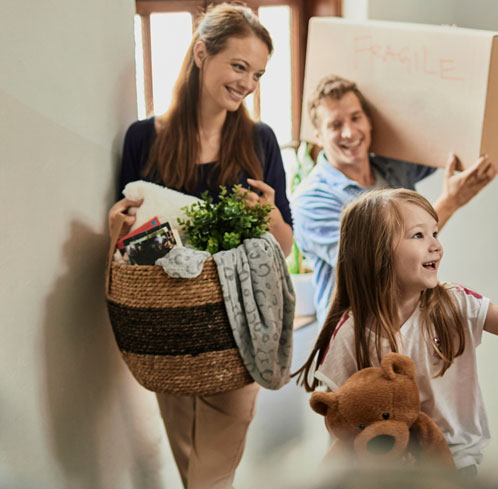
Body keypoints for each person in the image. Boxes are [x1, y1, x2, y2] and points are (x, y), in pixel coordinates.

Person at [295, 189, 498, 473]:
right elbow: (345, 421)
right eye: (419, 235)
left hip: (457, 466)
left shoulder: (456, 304)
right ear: (377, 252)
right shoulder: (350, 332)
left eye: (434, 232)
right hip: (389, 474)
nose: (436, 245)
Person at [107, 5, 292, 488]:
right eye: (239, 66)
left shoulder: (259, 140)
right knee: (196, 475)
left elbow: (285, 247)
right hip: (168, 330)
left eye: (257, 73)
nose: (248, 83)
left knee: (211, 475)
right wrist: (117, 227)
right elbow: (131, 251)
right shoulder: (144, 139)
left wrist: (268, 212)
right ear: (201, 53)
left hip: (237, 333)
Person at [290, 75, 497, 324]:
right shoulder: (311, 200)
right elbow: (376, 263)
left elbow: (441, 142)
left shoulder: (392, 167)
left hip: (410, 323)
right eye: (335, 125)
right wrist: (451, 201)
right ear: (318, 136)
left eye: (356, 118)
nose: (349, 132)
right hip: (356, 334)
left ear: (369, 121)